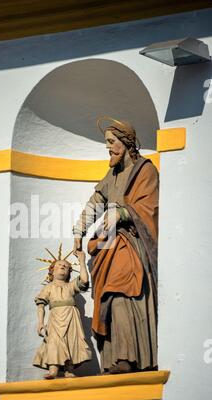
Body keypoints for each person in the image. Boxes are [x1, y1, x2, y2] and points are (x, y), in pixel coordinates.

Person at [73, 117, 159, 374]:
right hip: (108, 243)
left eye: (111, 142)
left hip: (130, 243)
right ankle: (113, 359)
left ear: (126, 142)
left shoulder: (145, 170)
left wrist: (122, 213)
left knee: (121, 292)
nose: (108, 147)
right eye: (106, 143)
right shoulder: (113, 174)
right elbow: (96, 201)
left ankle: (130, 356)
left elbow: (150, 206)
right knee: (107, 296)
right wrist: (79, 229)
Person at [33, 250, 92, 379]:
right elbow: (41, 305)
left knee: (72, 340)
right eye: (60, 265)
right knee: (53, 341)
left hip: (71, 315)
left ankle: (68, 369)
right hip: (55, 317)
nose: (64, 267)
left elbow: (84, 280)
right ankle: (53, 369)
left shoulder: (70, 286)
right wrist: (41, 323)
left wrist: (82, 261)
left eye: (66, 267)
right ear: (52, 271)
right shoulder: (48, 287)